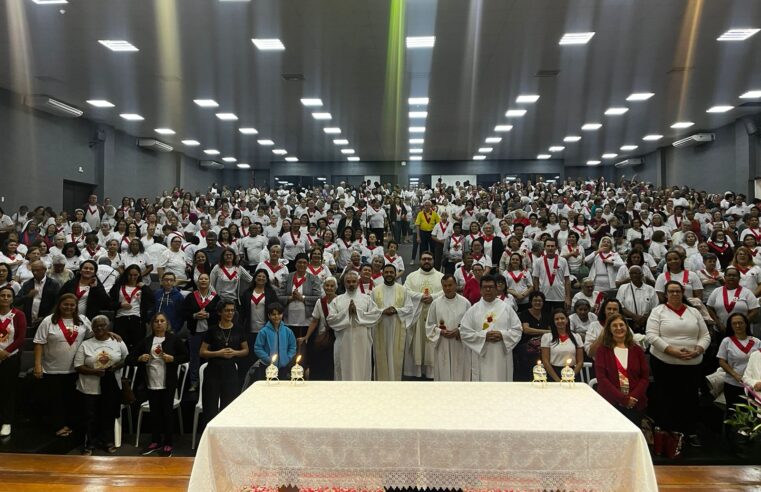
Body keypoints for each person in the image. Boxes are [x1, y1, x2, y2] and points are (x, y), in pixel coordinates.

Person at [646, 281, 711, 447]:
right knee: (667, 397)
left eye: (677, 291)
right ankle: (669, 433)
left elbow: (706, 336)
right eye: (671, 291)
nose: (675, 294)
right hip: (664, 363)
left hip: (692, 363)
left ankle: (689, 432)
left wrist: (698, 350)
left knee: (689, 399)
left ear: (683, 293)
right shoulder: (657, 311)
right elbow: (651, 336)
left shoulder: (694, 312)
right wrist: (671, 350)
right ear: (666, 294)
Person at [33, 293, 93, 437]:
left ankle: (71, 425)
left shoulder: (83, 320)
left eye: (72, 305)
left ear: (76, 306)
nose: (69, 307)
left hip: (76, 368)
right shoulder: (48, 321)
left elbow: (94, 336)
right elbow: (38, 343)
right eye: (65, 304)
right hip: (52, 369)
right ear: (59, 305)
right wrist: (37, 365)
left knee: (71, 400)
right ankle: (59, 426)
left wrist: (111, 334)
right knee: (56, 401)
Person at [130, 312, 188, 457]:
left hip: (167, 382)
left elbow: (186, 356)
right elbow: (129, 359)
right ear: (152, 324)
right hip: (151, 382)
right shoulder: (146, 341)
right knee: (154, 413)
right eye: (156, 321)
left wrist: (173, 358)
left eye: (162, 321)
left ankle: (168, 443)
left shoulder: (174, 339)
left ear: (167, 324)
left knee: (167, 413)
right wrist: (139, 358)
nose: (159, 323)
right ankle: (155, 440)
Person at [74, 315, 128, 455]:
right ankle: (90, 444)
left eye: (103, 325)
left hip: (111, 386)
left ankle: (108, 442)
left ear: (108, 326)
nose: (100, 328)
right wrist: (93, 371)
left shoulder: (117, 341)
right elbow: (78, 366)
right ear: (92, 328)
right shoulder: (86, 344)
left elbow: (126, 358)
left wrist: (116, 367)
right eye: (96, 325)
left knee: (108, 414)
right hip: (89, 387)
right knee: (90, 416)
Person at [459, 275, 522, 381]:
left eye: (491, 287)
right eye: (485, 287)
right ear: (480, 290)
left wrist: (502, 335)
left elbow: (517, 330)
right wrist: (484, 336)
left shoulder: (506, 308)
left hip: (501, 355)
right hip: (481, 356)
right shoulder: (473, 309)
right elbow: (464, 332)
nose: (488, 290)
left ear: (497, 289)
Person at [325, 271, 382, 381]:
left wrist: (358, 313)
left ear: (358, 282)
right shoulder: (337, 300)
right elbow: (331, 320)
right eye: (348, 282)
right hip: (343, 341)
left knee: (362, 367)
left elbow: (375, 315)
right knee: (343, 368)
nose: (351, 284)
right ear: (344, 283)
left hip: (362, 340)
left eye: (353, 281)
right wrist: (347, 312)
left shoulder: (367, 299)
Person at [594, 314, 650, 424]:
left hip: (635, 403)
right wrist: (623, 399)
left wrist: (632, 397)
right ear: (609, 330)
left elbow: (644, 378)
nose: (619, 328)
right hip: (610, 403)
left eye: (621, 325)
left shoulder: (637, 350)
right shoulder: (602, 350)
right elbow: (602, 378)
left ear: (627, 327)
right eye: (614, 325)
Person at [200, 300, 248, 423]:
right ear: (220, 312)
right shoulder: (212, 330)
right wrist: (218, 353)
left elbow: (245, 351)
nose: (230, 313)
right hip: (213, 372)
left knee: (229, 407)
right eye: (227, 310)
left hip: (230, 372)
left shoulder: (239, 329)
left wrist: (234, 352)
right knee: (210, 408)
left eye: (232, 310)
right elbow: (202, 352)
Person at [372, 264, 418, 381]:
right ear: (382, 273)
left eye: (391, 272)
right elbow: (371, 310)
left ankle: (394, 381)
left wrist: (395, 310)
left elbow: (409, 308)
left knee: (394, 357)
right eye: (386, 272)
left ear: (395, 274)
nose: (389, 275)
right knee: (381, 356)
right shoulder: (375, 290)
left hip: (396, 327)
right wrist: (383, 311)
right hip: (380, 327)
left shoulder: (402, 290)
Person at [403, 251, 444, 378]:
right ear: (420, 260)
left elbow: (446, 290)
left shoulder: (441, 276)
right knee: (418, 344)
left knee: (432, 344)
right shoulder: (411, 276)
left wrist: (433, 297)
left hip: (434, 316)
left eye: (429, 259)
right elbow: (405, 291)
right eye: (424, 259)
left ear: (433, 260)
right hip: (417, 316)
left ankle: (432, 372)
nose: (427, 261)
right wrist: (421, 297)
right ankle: (416, 372)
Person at [425, 274, 472, 381]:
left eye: (450, 285)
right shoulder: (435, 304)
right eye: (445, 286)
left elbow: (471, 325)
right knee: (443, 371)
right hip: (442, 343)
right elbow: (429, 325)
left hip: (459, 343)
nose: (447, 288)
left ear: (456, 285)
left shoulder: (465, 303)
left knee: (460, 371)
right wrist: (440, 332)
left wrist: (459, 330)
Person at [717, 313, 761, 411]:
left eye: (740, 323)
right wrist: (735, 375)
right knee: (734, 413)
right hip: (733, 384)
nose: (738, 326)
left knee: (753, 413)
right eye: (734, 323)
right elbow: (722, 362)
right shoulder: (726, 341)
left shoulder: (756, 342)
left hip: (753, 385)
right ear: (731, 326)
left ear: (746, 324)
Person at [0, 286, 27, 437]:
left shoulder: (18, 315)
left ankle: (7, 421)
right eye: (2, 295)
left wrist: (6, 352)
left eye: (8, 296)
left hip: (10, 358)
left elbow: (21, 338)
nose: (5, 298)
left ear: (12, 299)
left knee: (7, 391)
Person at [300, 276, 338, 380]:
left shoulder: (340, 301)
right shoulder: (319, 302)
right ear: (323, 287)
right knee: (320, 364)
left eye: (332, 286)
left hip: (337, 337)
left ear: (336, 288)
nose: (329, 288)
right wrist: (306, 336)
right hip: (322, 338)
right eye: (327, 285)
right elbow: (315, 320)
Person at [278, 253, 320, 344]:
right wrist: (290, 298)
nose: (302, 265)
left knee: (304, 348)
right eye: (299, 262)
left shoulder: (313, 278)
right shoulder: (287, 277)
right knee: (289, 345)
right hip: (288, 319)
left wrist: (302, 298)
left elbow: (318, 298)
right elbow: (279, 297)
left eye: (304, 263)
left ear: (308, 264)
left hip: (306, 320)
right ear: (295, 264)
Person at [110, 265, 154, 351]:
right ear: (126, 274)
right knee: (121, 347)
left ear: (139, 275)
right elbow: (109, 304)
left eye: (135, 275)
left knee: (137, 348)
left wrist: (144, 287)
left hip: (137, 320)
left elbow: (152, 299)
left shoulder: (142, 288)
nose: (132, 277)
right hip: (120, 319)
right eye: (130, 275)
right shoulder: (118, 287)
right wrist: (120, 305)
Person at [706, 266, 759, 334]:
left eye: (734, 275)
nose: (731, 277)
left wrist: (743, 323)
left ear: (739, 278)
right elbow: (709, 307)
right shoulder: (717, 291)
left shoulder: (747, 292)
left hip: (742, 330)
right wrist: (718, 323)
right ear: (724, 277)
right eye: (729, 275)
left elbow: (755, 310)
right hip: (721, 329)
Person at [253, 303, 297, 379]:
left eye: (279, 314)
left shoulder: (288, 331)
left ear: (282, 314)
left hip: (283, 367)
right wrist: (268, 359)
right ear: (269, 315)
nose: (276, 316)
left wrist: (287, 358)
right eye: (273, 314)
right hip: (266, 367)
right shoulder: (263, 332)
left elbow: (293, 347)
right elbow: (258, 348)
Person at [540, 309, 584, 381]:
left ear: (567, 320)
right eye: (557, 319)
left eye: (562, 318)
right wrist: (558, 380)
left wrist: (570, 376)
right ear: (553, 322)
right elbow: (545, 361)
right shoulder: (547, 337)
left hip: (572, 374)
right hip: (553, 374)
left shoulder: (577, 337)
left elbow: (580, 362)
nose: (560, 321)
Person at [15, 260, 60, 327]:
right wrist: (28, 296)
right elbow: (16, 302)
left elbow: (57, 304)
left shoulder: (53, 284)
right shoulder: (27, 284)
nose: (35, 273)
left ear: (44, 270)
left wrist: (45, 318)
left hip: (46, 321)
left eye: (38, 270)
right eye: (33, 270)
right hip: (28, 321)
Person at [615, 265, 659, 333]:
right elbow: (620, 306)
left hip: (647, 322)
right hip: (628, 322)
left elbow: (655, 307)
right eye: (631, 273)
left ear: (642, 275)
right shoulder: (623, 288)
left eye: (636, 273)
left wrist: (644, 318)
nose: (634, 275)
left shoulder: (650, 289)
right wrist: (634, 317)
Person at [532, 238, 571, 312]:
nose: (550, 248)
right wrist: (537, 296)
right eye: (548, 246)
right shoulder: (538, 261)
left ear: (556, 247)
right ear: (544, 247)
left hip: (560, 296)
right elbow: (536, 280)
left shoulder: (563, 261)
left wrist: (568, 297)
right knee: (545, 320)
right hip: (543, 297)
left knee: (559, 319)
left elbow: (567, 280)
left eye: (552, 246)